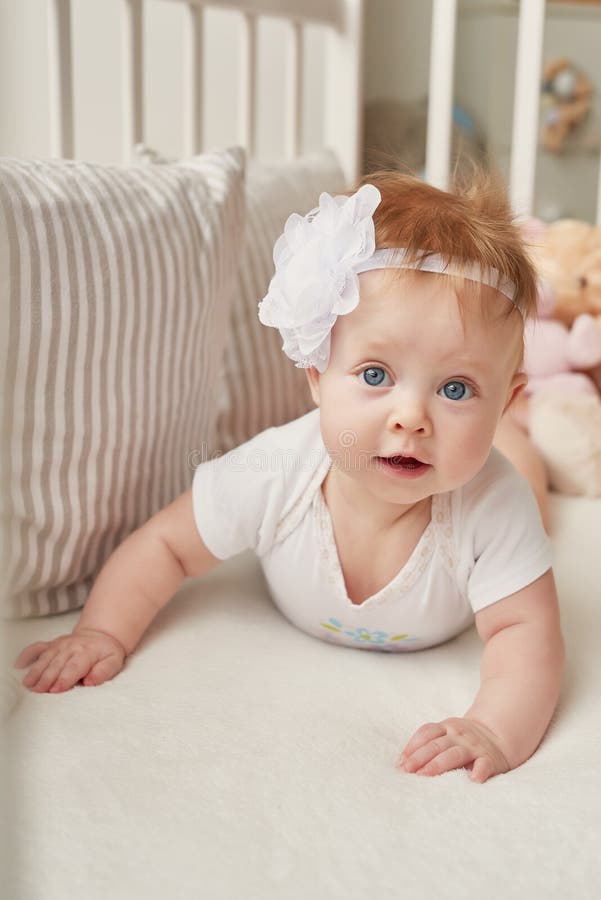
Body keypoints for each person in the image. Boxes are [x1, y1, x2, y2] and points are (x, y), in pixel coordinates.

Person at [14, 171, 565, 784]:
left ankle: (525, 437)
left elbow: (526, 635)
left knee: (528, 483)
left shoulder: (492, 503)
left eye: (456, 389)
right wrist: (101, 631)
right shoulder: (276, 469)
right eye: (376, 375)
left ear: (503, 398)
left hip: (500, 475)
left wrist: (493, 725)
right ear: (316, 376)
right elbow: (166, 544)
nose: (411, 419)